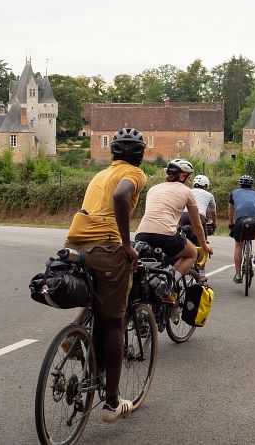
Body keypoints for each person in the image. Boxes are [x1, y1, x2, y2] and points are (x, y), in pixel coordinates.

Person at [65, 127, 147, 423]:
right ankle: (112, 403)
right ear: (140, 155)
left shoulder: (100, 174)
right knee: (114, 322)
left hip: (76, 242)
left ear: (112, 152)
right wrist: (127, 244)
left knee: (98, 298)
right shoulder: (135, 174)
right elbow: (121, 196)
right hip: (107, 245)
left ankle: (74, 334)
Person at [135, 159, 213, 290]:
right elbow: (197, 225)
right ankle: (167, 285)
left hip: (141, 234)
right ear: (182, 176)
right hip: (166, 234)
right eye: (188, 177)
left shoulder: (153, 189)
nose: (189, 181)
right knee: (192, 253)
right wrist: (204, 246)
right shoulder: (186, 191)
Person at [228, 175, 255, 283]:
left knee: (239, 245)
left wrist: (231, 223)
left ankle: (238, 275)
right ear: (252, 185)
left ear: (240, 184)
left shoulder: (234, 193)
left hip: (240, 221)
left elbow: (230, 211)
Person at [180, 174, 217, 279]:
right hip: (198, 216)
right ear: (206, 185)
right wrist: (214, 223)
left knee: (181, 241)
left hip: (183, 216)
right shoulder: (209, 195)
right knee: (202, 244)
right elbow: (213, 212)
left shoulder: (188, 191)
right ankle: (201, 275)